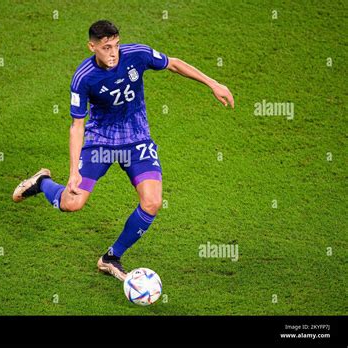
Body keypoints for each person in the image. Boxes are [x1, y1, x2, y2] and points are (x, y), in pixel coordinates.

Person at [12, 20, 234, 281]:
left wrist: (213, 83)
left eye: (116, 45)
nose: (113, 53)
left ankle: (111, 257)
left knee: (152, 202)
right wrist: (73, 172)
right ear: (92, 47)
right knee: (72, 203)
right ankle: (42, 182)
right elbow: (76, 126)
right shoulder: (84, 78)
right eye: (106, 47)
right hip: (101, 142)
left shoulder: (136, 54)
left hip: (137, 140)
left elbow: (173, 63)